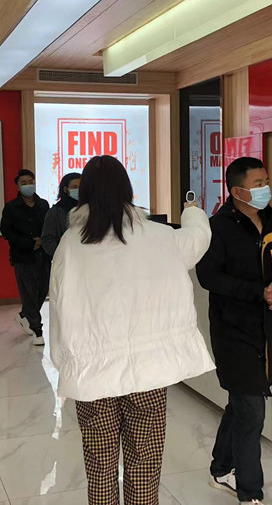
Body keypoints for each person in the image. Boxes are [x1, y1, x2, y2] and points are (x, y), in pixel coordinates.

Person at [49, 155, 215, 505]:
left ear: (84, 193)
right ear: (128, 189)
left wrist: (64, 361)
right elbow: (198, 239)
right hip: (148, 373)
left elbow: (58, 305)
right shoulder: (159, 237)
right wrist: (192, 211)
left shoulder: (71, 244)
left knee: (100, 466)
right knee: (145, 463)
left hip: (92, 376)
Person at [196, 157, 272, 505]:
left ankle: (220, 468)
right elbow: (209, 277)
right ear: (237, 191)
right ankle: (250, 492)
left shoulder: (271, 221)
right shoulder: (218, 227)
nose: (265, 189)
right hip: (232, 329)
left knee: (243, 402)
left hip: (266, 328)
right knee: (253, 411)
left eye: (266, 181)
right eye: (258, 184)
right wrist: (258, 292)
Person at [0, 169, 50, 346]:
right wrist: (29, 243)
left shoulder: (43, 204)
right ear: (18, 186)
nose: (28, 185)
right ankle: (37, 330)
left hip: (43, 254)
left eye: (31, 182)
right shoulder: (11, 207)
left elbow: (48, 226)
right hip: (22, 256)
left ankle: (24, 315)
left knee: (42, 291)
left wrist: (42, 241)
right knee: (28, 293)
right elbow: (6, 231)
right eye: (24, 183)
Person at [41, 172, 81, 257]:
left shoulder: (90, 208)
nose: (79, 190)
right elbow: (47, 239)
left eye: (81, 187)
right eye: (74, 187)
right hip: (65, 259)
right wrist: (62, 255)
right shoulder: (55, 212)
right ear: (65, 189)